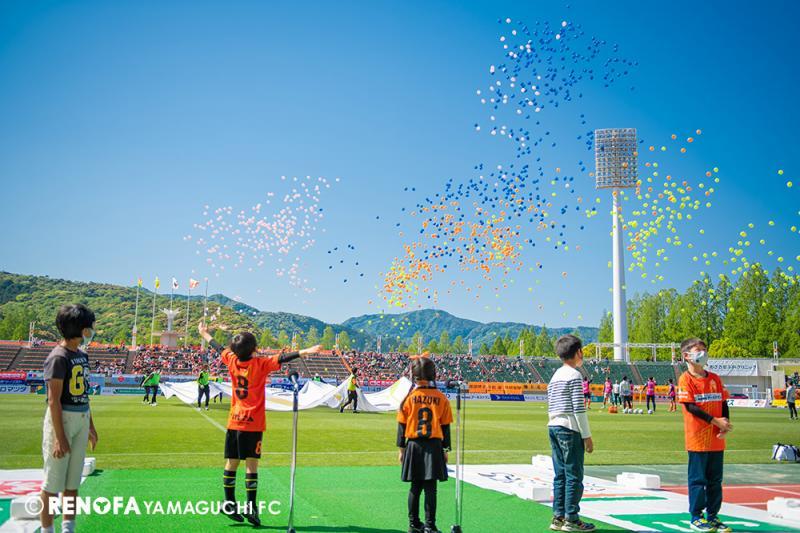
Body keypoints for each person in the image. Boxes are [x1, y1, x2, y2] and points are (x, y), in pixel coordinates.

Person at [198, 322, 321, 526]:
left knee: (232, 462)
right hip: (253, 423)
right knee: (252, 465)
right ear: (255, 349)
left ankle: (229, 502)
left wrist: (204, 333)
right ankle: (251, 507)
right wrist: (306, 351)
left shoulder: (230, 360)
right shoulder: (261, 364)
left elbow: (218, 347)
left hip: (234, 421)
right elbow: (283, 358)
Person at [40, 304, 99, 533]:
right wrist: (59, 437)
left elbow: (83, 393)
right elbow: (53, 400)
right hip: (62, 421)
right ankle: (47, 529)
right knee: (53, 484)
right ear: (81, 329)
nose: (92, 330)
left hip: (81, 418)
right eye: (90, 326)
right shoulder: (58, 357)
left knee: (73, 482)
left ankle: (68, 528)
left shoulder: (82, 355)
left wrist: (91, 426)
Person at [677, 338, 733, 533]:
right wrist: (715, 421)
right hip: (697, 439)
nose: (703, 353)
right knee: (698, 480)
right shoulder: (686, 379)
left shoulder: (715, 378)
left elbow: (723, 402)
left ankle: (713, 516)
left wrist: (724, 423)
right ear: (686, 356)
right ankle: (696, 516)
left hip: (716, 440)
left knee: (715, 481)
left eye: (704, 349)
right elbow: (691, 407)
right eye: (698, 350)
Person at [396, 356, 452, 533]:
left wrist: (401, 449)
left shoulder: (408, 398)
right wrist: (445, 448)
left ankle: (413, 525)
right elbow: (445, 426)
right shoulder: (441, 398)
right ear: (433, 374)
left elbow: (401, 426)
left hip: (413, 445)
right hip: (434, 445)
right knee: (431, 489)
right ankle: (430, 526)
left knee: (415, 487)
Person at [547, 335, 595, 532]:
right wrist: (587, 435)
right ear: (577, 352)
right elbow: (578, 409)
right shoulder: (574, 376)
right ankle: (572, 519)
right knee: (574, 474)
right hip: (569, 427)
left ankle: (558, 516)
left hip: (553, 425)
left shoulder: (555, 375)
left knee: (560, 475)